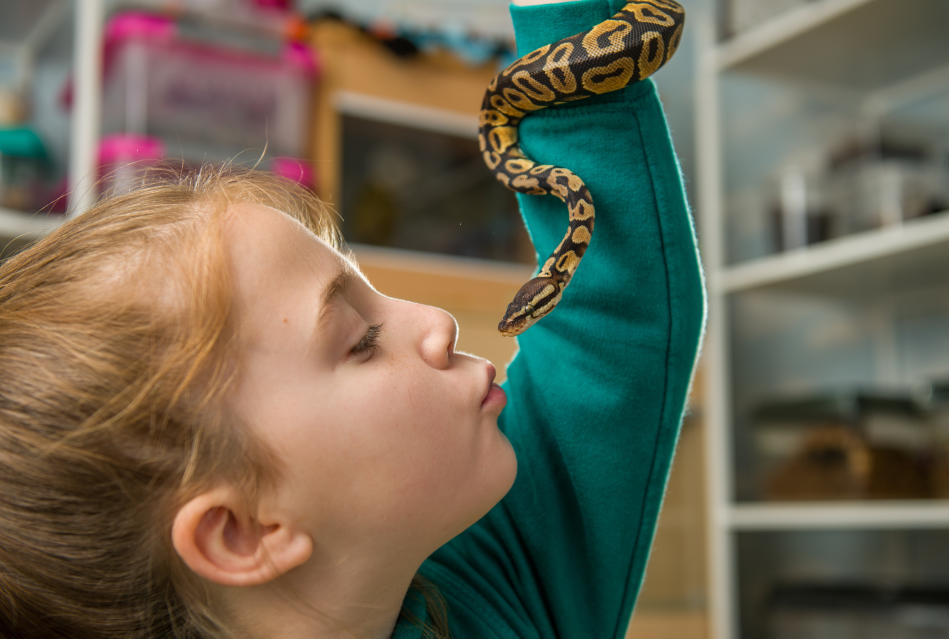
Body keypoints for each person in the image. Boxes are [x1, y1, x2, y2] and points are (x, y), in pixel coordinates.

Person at [0, 0, 705, 637]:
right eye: (361, 341)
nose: (437, 322)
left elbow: (611, 323)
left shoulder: (496, 577)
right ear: (242, 532)